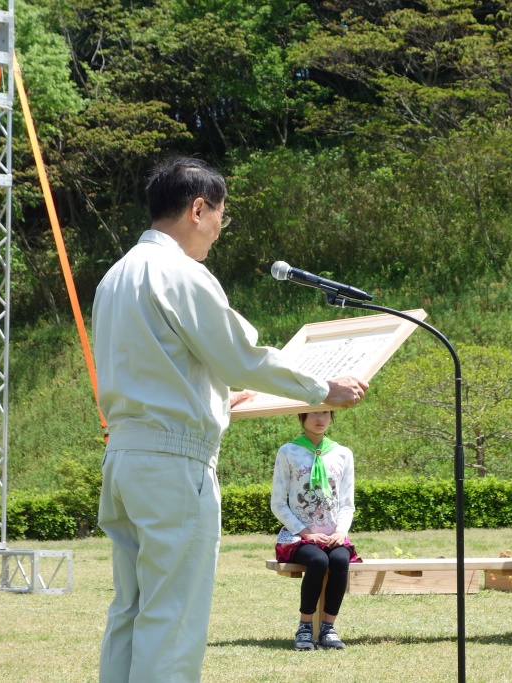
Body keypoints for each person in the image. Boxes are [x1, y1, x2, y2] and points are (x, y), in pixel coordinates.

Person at [92, 157, 368, 682]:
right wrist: (321, 388)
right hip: (175, 465)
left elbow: (163, 367)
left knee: (130, 608)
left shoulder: (116, 275)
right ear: (198, 208)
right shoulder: (181, 273)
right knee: (172, 616)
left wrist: (220, 399)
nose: (220, 230)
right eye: (221, 215)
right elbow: (241, 354)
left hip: (126, 456)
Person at [271, 410, 359, 651]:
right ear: (302, 417)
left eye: (325, 413)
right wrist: (305, 532)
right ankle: (305, 627)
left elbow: (347, 504)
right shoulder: (288, 451)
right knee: (318, 561)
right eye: (314, 413)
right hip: (299, 537)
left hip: (333, 536)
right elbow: (277, 503)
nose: (320, 418)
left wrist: (341, 532)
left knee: (340, 560)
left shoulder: (343, 453)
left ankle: (329, 629)